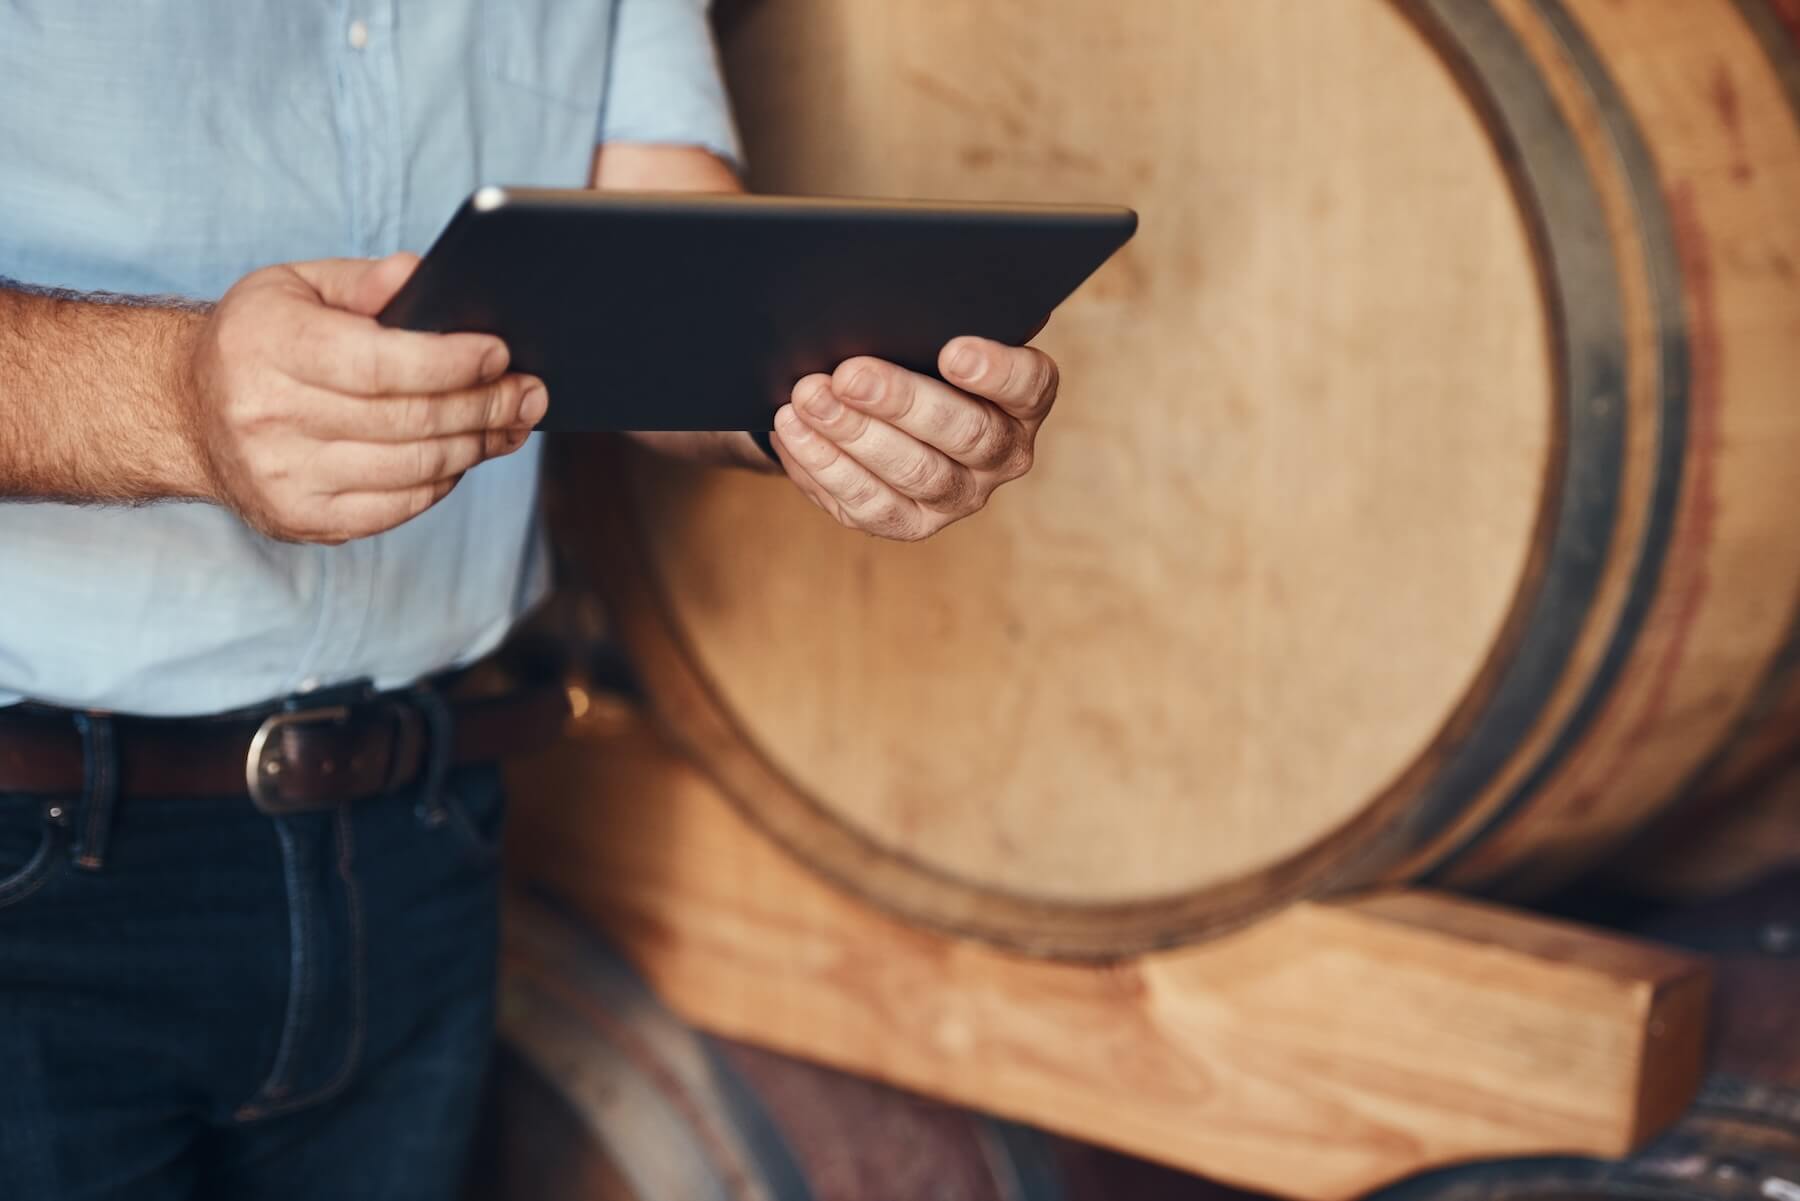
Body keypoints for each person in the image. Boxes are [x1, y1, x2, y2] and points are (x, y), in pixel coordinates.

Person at [0, 3, 1062, 1198]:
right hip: (36, 865)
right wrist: (168, 398)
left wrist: (834, 402)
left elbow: (666, 267)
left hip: (422, 837)